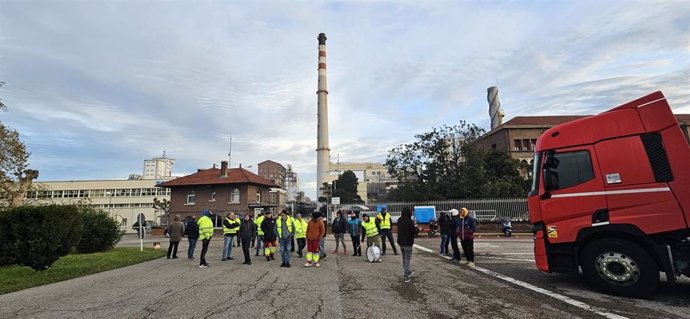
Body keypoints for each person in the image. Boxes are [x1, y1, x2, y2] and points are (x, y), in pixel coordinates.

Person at [397, 207, 418, 283]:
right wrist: (416, 228)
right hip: (408, 243)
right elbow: (414, 231)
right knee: (407, 260)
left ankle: (407, 271)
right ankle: (406, 277)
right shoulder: (410, 221)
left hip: (401, 243)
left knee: (404, 259)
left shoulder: (399, 220)